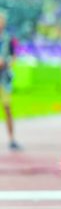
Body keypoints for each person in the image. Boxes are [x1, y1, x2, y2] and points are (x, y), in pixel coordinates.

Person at [0, 11, 18, 151]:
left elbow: (13, 58)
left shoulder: (7, 39)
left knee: (7, 108)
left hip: (4, 78)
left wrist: (5, 62)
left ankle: (12, 139)